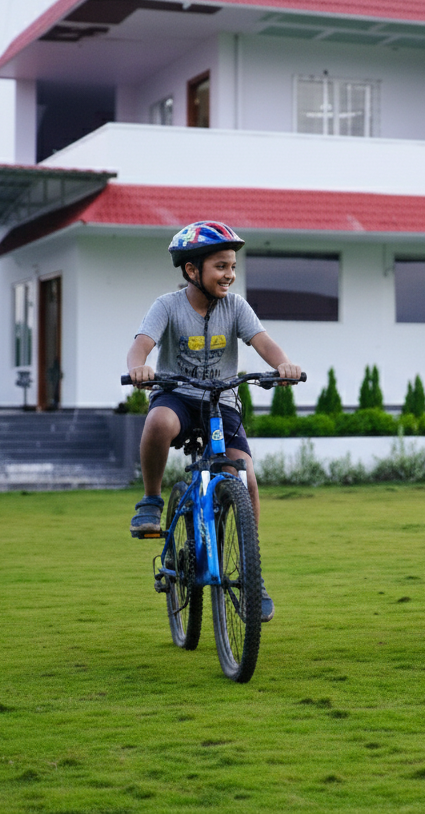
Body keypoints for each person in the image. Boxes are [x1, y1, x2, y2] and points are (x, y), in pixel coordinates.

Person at [126, 221, 302, 622]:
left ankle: (251, 574)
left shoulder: (236, 306)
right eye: (220, 266)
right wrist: (140, 368)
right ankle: (151, 500)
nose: (229, 274)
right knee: (157, 423)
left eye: (232, 266)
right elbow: (141, 345)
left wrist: (283, 365)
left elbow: (263, 342)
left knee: (245, 477)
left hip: (222, 403)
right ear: (192, 270)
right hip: (178, 396)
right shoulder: (167, 306)